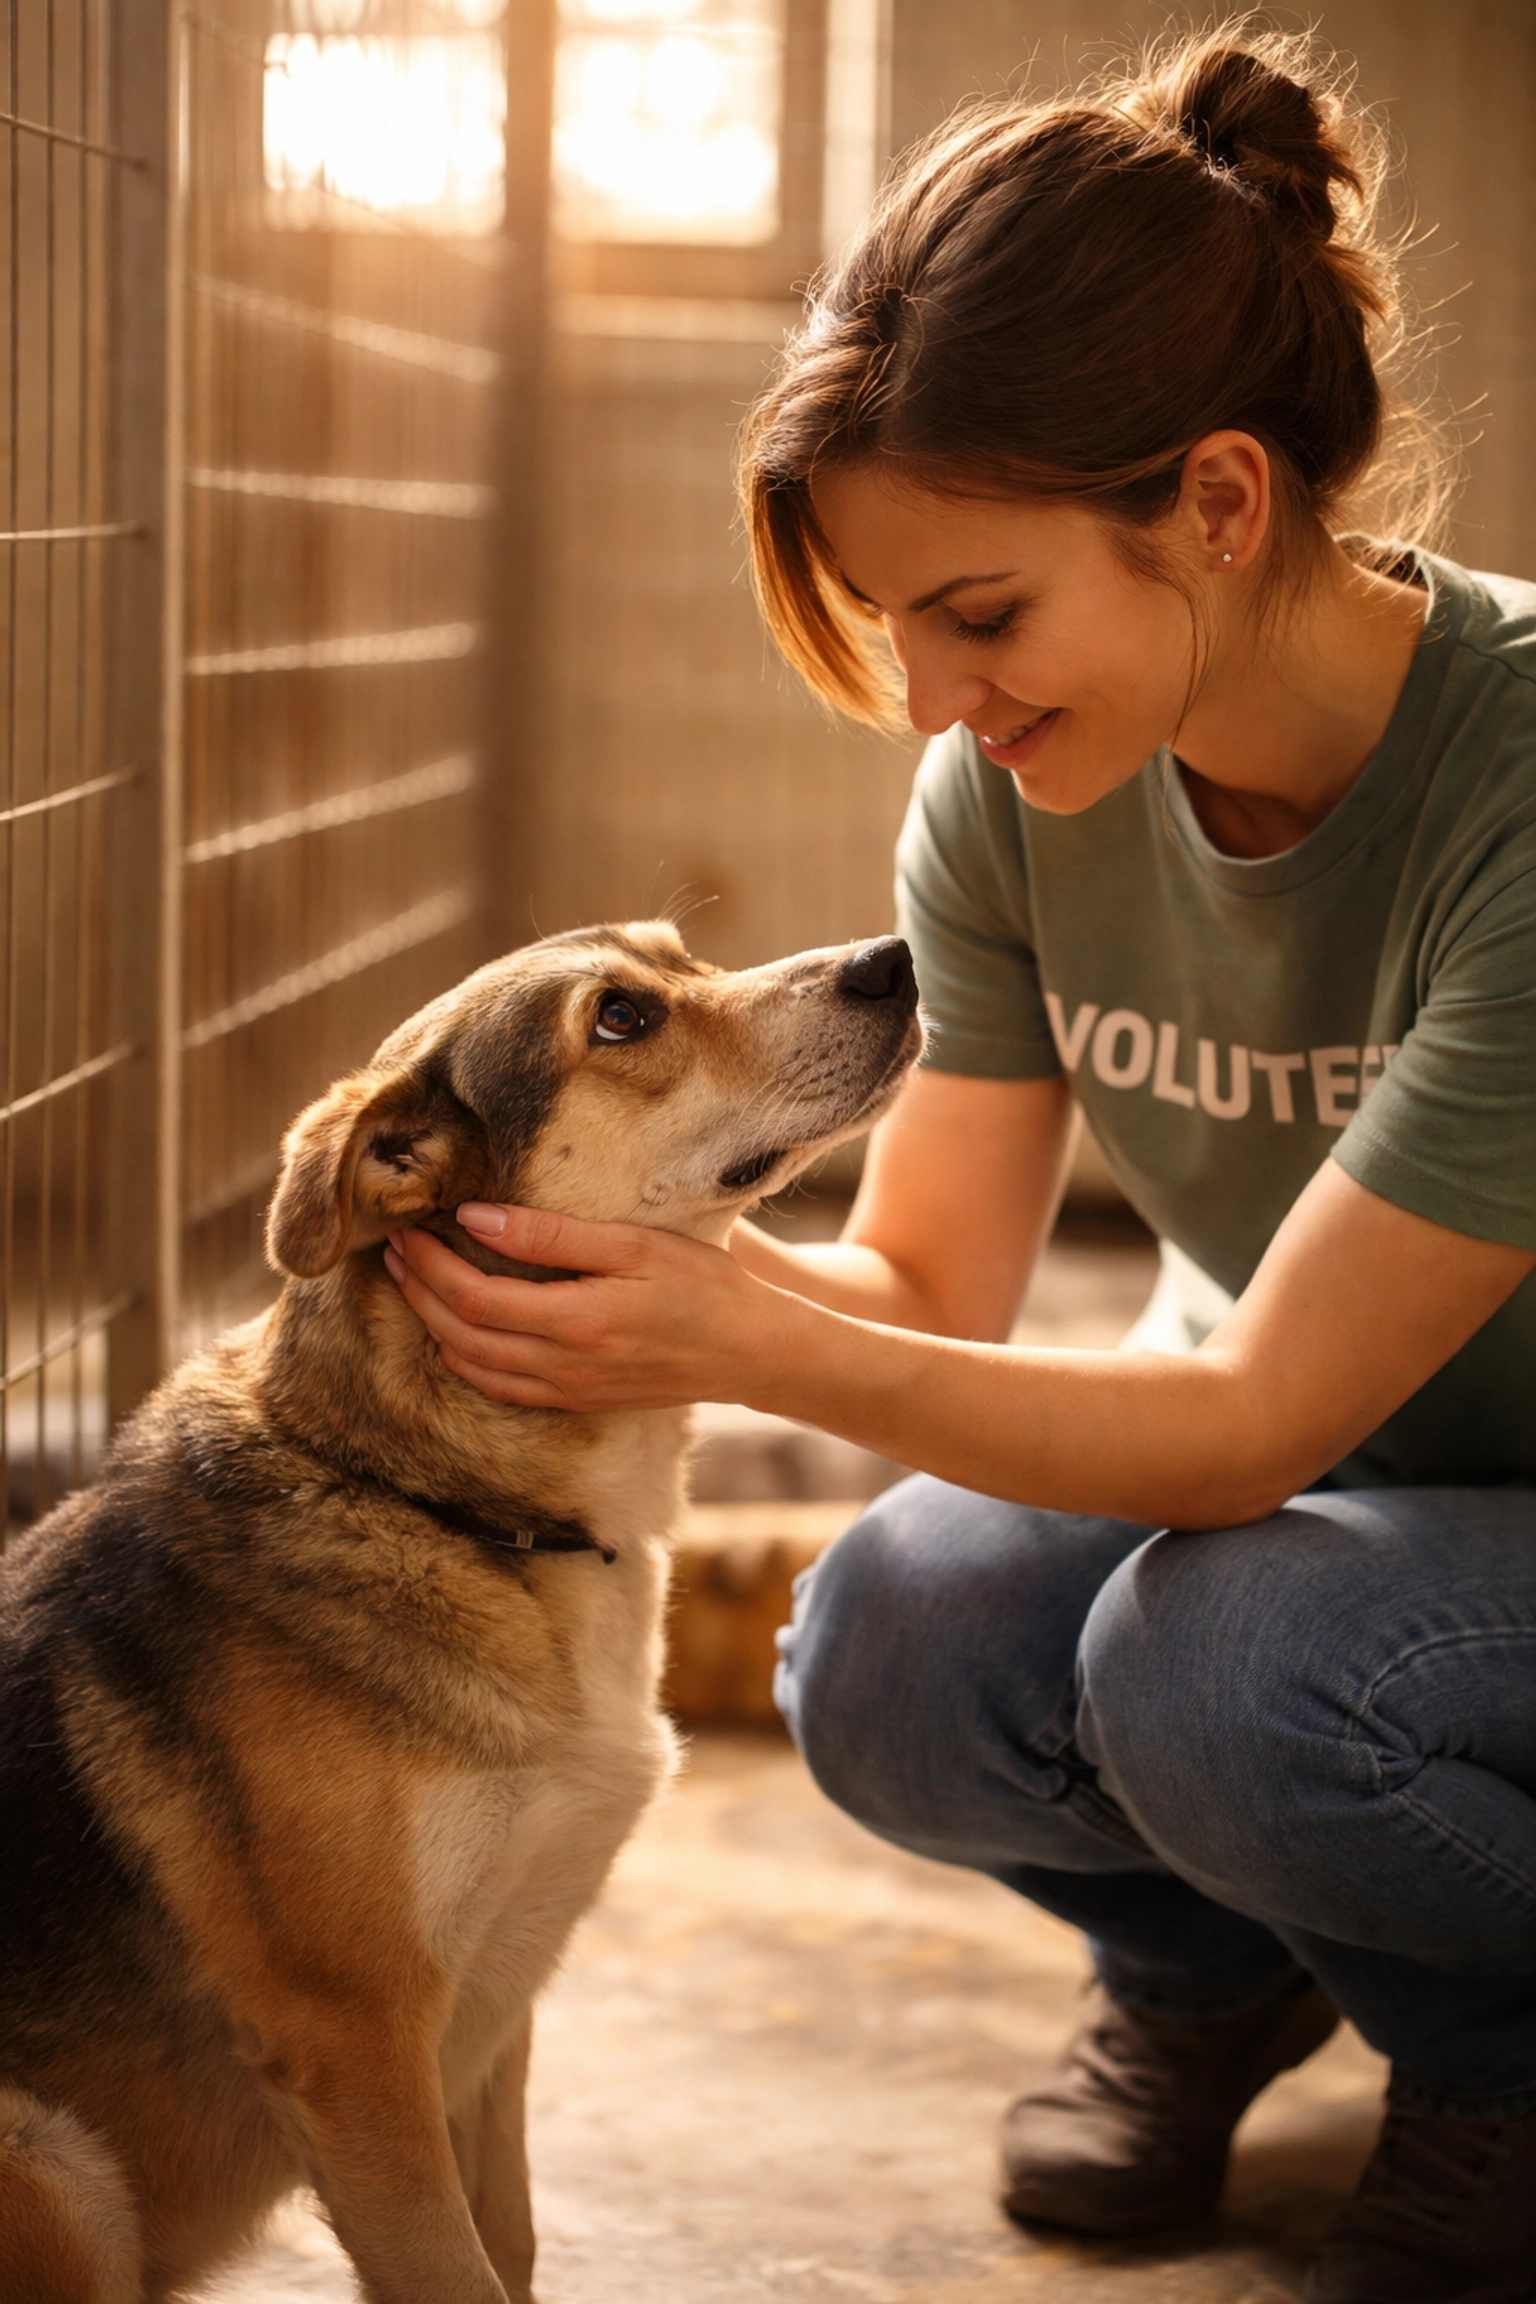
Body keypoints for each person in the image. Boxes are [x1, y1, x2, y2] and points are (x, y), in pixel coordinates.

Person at [384, 30, 1536, 2303]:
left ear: (1218, 501)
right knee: (893, 1641)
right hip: (1323, 1485)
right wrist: (651, 1276)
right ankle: (1221, 1975)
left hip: (1451, 1513)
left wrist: (728, 1331)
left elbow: (1246, 1430)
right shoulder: (1010, 792)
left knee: (1229, 1667)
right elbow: (929, 1290)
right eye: (898, 619)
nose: (927, 699)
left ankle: (1492, 2055)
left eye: (978, 612)